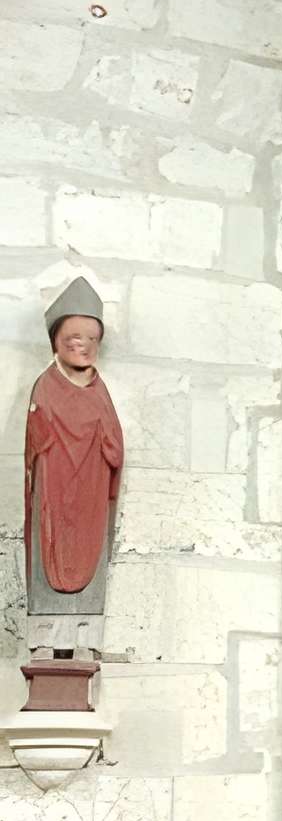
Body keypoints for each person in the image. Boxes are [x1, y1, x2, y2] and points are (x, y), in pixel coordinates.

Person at [24, 278, 123, 656]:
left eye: (91, 340)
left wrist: (106, 448)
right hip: (53, 491)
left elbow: (115, 448)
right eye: (73, 339)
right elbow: (36, 443)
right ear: (56, 343)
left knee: (90, 549)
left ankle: (82, 637)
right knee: (49, 547)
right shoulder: (44, 387)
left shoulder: (100, 393)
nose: (83, 347)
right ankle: (47, 638)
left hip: (90, 494)